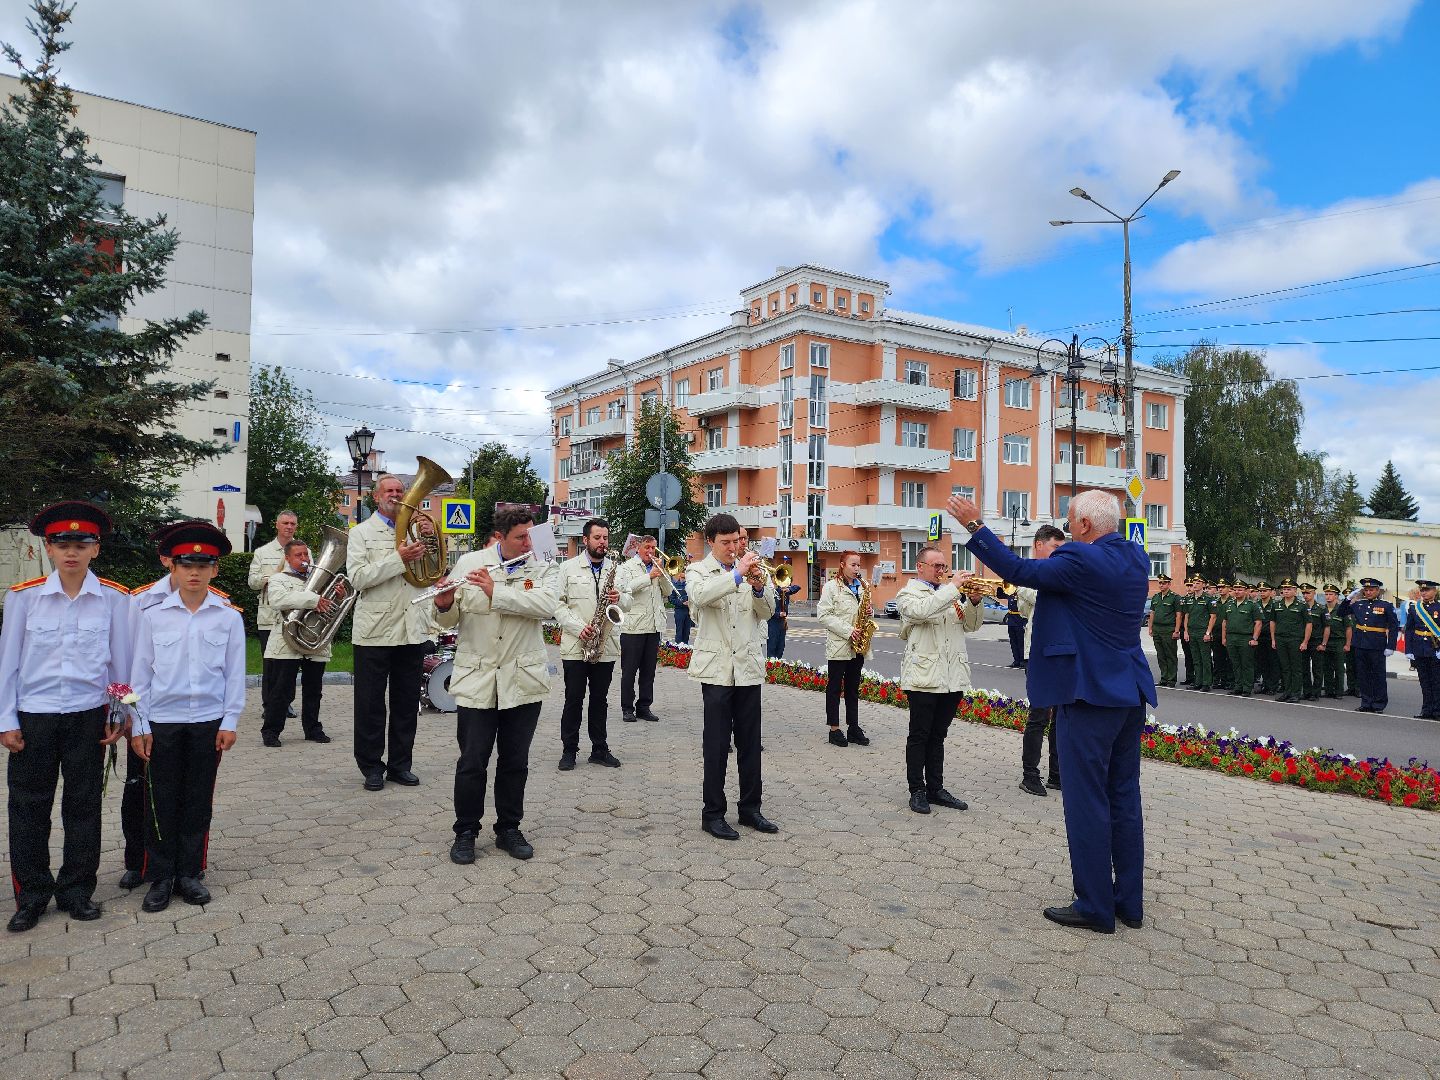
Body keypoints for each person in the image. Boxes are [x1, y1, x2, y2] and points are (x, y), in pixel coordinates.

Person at [949, 489, 1155, 935]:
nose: (1065, 525)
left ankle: (1095, 906)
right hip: (1128, 693)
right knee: (1124, 798)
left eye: (1068, 519)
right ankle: (1129, 903)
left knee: (1086, 802)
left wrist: (974, 525)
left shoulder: (1081, 559)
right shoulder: (1137, 559)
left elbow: (1018, 570)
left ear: (1082, 526)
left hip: (1089, 695)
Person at [1, 502, 132, 932]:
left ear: (96, 549)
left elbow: (119, 666)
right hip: (34, 716)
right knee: (28, 808)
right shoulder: (24, 597)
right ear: (49, 548)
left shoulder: (113, 598)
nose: (71, 551)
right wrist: (6, 719)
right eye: (62, 543)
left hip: (87, 716)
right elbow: (9, 664)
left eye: (82, 543)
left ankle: (77, 891)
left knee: (83, 806)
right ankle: (32, 895)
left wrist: (117, 714)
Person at [129, 522, 245, 913]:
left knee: (198, 798)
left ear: (214, 569)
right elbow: (139, 676)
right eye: (185, 564)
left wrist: (230, 721)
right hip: (162, 720)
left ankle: (190, 873)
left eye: (203, 564)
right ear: (172, 568)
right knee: (160, 799)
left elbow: (234, 674)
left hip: (208, 721)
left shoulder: (228, 618)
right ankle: (160, 876)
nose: (194, 572)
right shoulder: (153, 615)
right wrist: (140, 725)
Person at [435, 507, 558, 863]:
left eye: (530, 535)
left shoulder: (543, 565)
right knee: (472, 760)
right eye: (521, 537)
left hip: (522, 678)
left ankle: (508, 828)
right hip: (479, 678)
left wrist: (495, 592)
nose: (528, 542)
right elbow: (450, 614)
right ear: (501, 537)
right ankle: (465, 831)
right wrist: (443, 605)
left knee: (515, 760)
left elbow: (546, 605)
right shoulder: (471, 562)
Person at [688, 513, 776, 840]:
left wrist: (758, 589)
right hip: (717, 671)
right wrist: (737, 576)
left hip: (748, 668)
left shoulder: (750, 570)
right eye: (725, 542)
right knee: (716, 744)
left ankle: (751, 809)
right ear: (710, 542)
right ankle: (712, 814)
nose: (732, 547)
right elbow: (700, 597)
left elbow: (766, 612)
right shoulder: (698, 570)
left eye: (736, 541)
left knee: (751, 744)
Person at [347, 474, 433, 791]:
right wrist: (399, 559)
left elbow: (432, 573)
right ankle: (371, 766)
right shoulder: (360, 534)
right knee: (370, 704)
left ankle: (400, 765)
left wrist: (433, 543)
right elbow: (358, 578)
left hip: (411, 629)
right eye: (389, 491)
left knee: (406, 702)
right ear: (376, 496)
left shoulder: (415, 529)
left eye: (400, 490)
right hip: (375, 631)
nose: (395, 495)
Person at [895, 544, 983, 814]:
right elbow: (921, 612)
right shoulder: (909, 593)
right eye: (937, 566)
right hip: (923, 676)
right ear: (920, 566)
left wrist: (975, 602)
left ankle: (936, 788)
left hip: (951, 676)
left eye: (944, 566)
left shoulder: (952, 595)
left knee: (938, 737)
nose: (942, 570)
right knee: (919, 736)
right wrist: (954, 588)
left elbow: (972, 626)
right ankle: (916, 790)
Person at [553, 519, 625, 770]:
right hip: (576, 644)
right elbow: (557, 605)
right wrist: (577, 627)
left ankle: (599, 749)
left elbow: (625, 604)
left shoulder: (617, 568)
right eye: (597, 538)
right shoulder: (568, 568)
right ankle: (569, 750)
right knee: (573, 699)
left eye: (605, 537)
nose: (602, 542)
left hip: (604, 645)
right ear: (586, 540)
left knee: (600, 700)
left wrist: (620, 598)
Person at [260, 540, 339, 746]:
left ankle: (312, 729)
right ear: (287, 558)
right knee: (281, 690)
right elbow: (278, 600)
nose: (304, 559)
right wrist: (314, 599)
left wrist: (336, 597)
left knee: (314, 690)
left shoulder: (323, 579)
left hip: (315, 639)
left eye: (306, 554)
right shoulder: (278, 578)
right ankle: (271, 731)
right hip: (286, 640)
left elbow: (332, 608)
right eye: (298, 555)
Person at [1017, 524, 1067, 796]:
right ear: (1039, 545)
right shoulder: (1028, 573)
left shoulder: (1059, 573)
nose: (1061, 553)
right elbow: (1034, 598)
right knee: (1039, 715)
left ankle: (1057, 774)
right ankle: (1030, 774)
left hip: (1061, 652)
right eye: (1055, 548)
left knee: (1061, 717)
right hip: (1037, 653)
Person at [815, 553, 872, 749]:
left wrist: (868, 613)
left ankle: (853, 727)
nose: (857, 569)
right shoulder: (831, 587)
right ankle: (834, 729)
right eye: (853, 565)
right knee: (834, 688)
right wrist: (848, 631)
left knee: (852, 688)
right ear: (842, 565)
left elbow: (860, 611)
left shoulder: (862, 587)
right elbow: (823, 615)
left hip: (858, 645)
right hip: (840, 644)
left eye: (859, 565)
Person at [247, 509, 299, 720]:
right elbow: (252, 582)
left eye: (292, 524)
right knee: (271, 663)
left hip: (294, 615)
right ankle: (269, 704)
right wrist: (273, 578)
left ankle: (286, 703)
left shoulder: (303, 551)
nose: (289, 527)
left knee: (291, 662)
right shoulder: (262, 552)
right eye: (285, 523)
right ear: (277, 525)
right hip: (269, 616)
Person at [616, 535, 669, 723]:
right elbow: (625, 589)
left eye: (653, 548)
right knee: (629, 671)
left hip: (654, 626)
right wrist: (649, 576)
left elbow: (668, 592)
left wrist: (662, 575)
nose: (651, 551)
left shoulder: (658, 568)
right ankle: (627, 708)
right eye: (647, 547)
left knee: (649, 671)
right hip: (633, 628)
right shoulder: (626, 567)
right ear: (638, 548)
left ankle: (644, 707)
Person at [1348, 577, 1399, 714]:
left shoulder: (1386, 605)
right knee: (1363, 675)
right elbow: (1342, 612)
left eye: (1371, 590)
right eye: (1366, 590)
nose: (1368, 592)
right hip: (1360, 644)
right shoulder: (1359, 604)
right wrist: (1348, 599)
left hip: (1377, 645)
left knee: (1378, 676)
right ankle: (1366, 702)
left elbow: (1394, 627)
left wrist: (1391, 646)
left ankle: (1378, 704)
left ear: (1378, 590)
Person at [1219, 581, 1261, 697]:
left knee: (1246, 664)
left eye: (1240, 589)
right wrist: (1224, 637)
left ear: (1246, 591)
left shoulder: (1252, 605)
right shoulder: (1229, 604)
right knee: (1235, 663)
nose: (1237, 591)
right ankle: (1238, 686)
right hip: (1231, 637)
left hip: (1245, 638)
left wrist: (1254, 638)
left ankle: (1247, 688)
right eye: (1235, 589)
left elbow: (1258, 623)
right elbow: (1224, 622)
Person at [1404, 579, 1439, 719]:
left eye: (1427, 590)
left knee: (1436, 682)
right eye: (1422, 590)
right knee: (1424, 682)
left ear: (1434, 591)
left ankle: (1437, 711)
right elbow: (1410, 630)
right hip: (1419, 649)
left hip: (1435, 650)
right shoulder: (1415, 608)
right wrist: (1409, 649)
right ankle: (1426, 710)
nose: (1423, 592)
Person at [1269, 580, 1308, 704]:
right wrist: (1273, 639)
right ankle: (1287, 691)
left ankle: (1296, 693)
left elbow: (1308, 624)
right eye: (1284, 589)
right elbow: (1273, 622)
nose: (1285, 591)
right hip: (1281, 639)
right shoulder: (1277, 605)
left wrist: (1305, 641)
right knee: (1285, 667)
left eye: (1289, 589)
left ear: (1295, 591)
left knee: (1295, 668)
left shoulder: (1302, 605)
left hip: (1295, 639)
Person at [1147, 573, 1182, 688]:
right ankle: (1164, 677)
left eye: (1164, 583)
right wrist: (1150, 627)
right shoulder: (1156, 597)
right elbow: (1152, 613)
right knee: (1161, 655)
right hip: (1157, 629)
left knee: (1170, 655)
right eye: (1160, 583)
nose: (1161, 585)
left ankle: (1171, 679)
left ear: (1169, 584)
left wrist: (1176, 630)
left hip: (1168, 629)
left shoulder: (1175, 597)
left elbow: (1178, 615)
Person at [1182, 577, 1215, 692]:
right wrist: (1186, 631)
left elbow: (1213, 617)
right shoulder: (1189, 599)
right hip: (1192, 631)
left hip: (1202, 631)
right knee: (1195, 658)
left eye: (1198, 583)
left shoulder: (1209, 599)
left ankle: (1206, 683)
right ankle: (1198, 681)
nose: (1194, 585)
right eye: (1193, 583)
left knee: (1205, 658)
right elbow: (1186, 616)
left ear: (1204, 585)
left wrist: (1208, 632)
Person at [1317, 584, 1346, 700]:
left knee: (1339, 668)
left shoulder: (1342, 610)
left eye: (1331, 594)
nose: (1328, 597)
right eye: (1326, 594)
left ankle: (1339, 691)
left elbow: (1348, 629)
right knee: (1327, 667)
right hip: (1325, 642)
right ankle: (1329, 690)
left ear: (1336, 596)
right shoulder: (1322, 609)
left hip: (1338, 641)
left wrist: (1347, 644)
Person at [765, 569, 802, 659]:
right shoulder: (770, 591)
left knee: (780, 647)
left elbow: (797, 587)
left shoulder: (784, 590)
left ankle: (778, 666)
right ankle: (770, 667)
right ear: (773, 578)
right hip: (772, 622)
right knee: (772, 647)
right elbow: (766, 611)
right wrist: (778, 614)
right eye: (775, 577)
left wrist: (788, 589)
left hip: (782, 623)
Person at [1299, 583, 1324, 701]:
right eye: (1303, 593)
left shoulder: (1321, 608)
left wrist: (1323, 643)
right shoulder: (1300, 607)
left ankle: (1316, 692)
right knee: (1304, 668)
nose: (1305, 595)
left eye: (1308, 592)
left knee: (1317, 668)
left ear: (1314, 593)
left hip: (1316, 641)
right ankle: (1307, 691)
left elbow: (1327, 627)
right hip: (1304, 642)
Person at [1253, 582, 1278, 693]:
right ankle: (1265, 684)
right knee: (1262, 662)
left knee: (1273, 662)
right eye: (1260, 591)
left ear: (1270, 591)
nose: (1262, 593)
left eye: (1265, 591)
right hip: (1259, 637)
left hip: (1270, 637)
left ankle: (1272, 686)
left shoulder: (1275, 605)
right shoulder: (1256, 604)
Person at [1004, 581, 1029, 668]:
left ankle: (1022, 660)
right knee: (1013, 641)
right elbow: (1000, 594)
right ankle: (1016, 660)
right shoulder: (1009, 592)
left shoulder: (1021, 593)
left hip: (1019, 618)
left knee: (1021, 641)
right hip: (1011, 619)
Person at [670, 566, 693, 645]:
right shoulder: (675, 586)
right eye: (683, 576)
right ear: (679, 575)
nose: (684, 578)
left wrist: (690, 602)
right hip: (679, 611)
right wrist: (681, 603)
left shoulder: (689, 585)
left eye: (685, 577)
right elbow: (671, 599)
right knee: (679, 631)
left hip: (688, 611)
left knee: (687, 631)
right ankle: (678, 648)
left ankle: (685, 648)